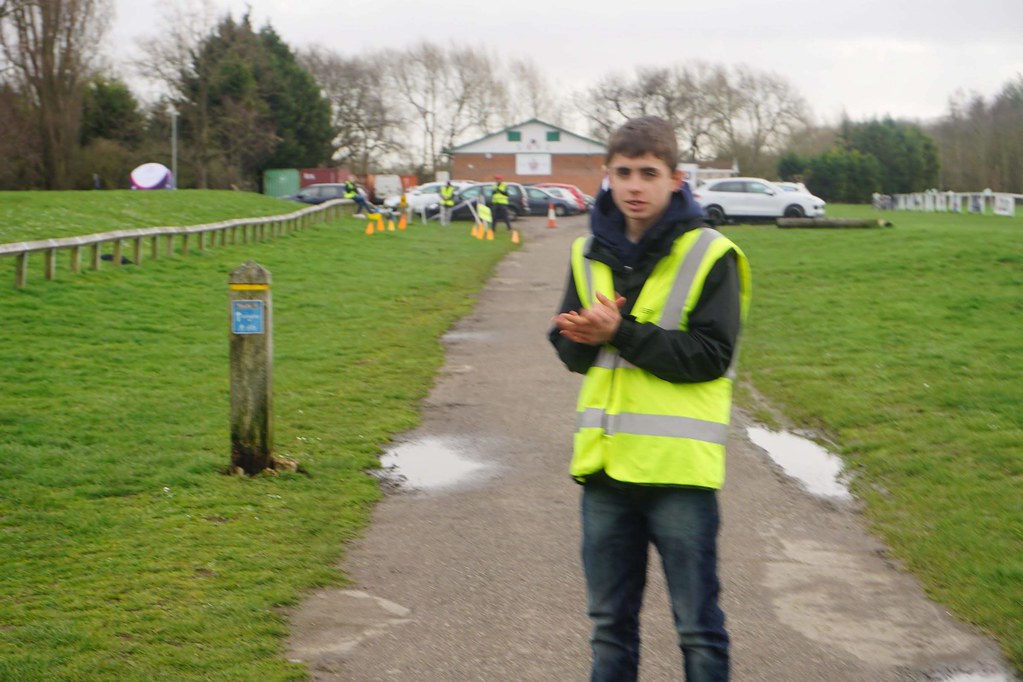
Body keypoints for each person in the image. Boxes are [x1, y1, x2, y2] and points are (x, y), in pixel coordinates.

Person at [548, 115, 751, 682]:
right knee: (609, 627)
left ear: (676, 178)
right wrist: (575, 335)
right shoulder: (586, 251)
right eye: (623, 172)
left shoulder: (712, 253)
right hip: (606, 474)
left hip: (679, 477)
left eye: (648, 173)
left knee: (697, 630)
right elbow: (572, 353)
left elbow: (711, 356)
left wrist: (621, 333)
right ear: (606, 175)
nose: (635, 186)